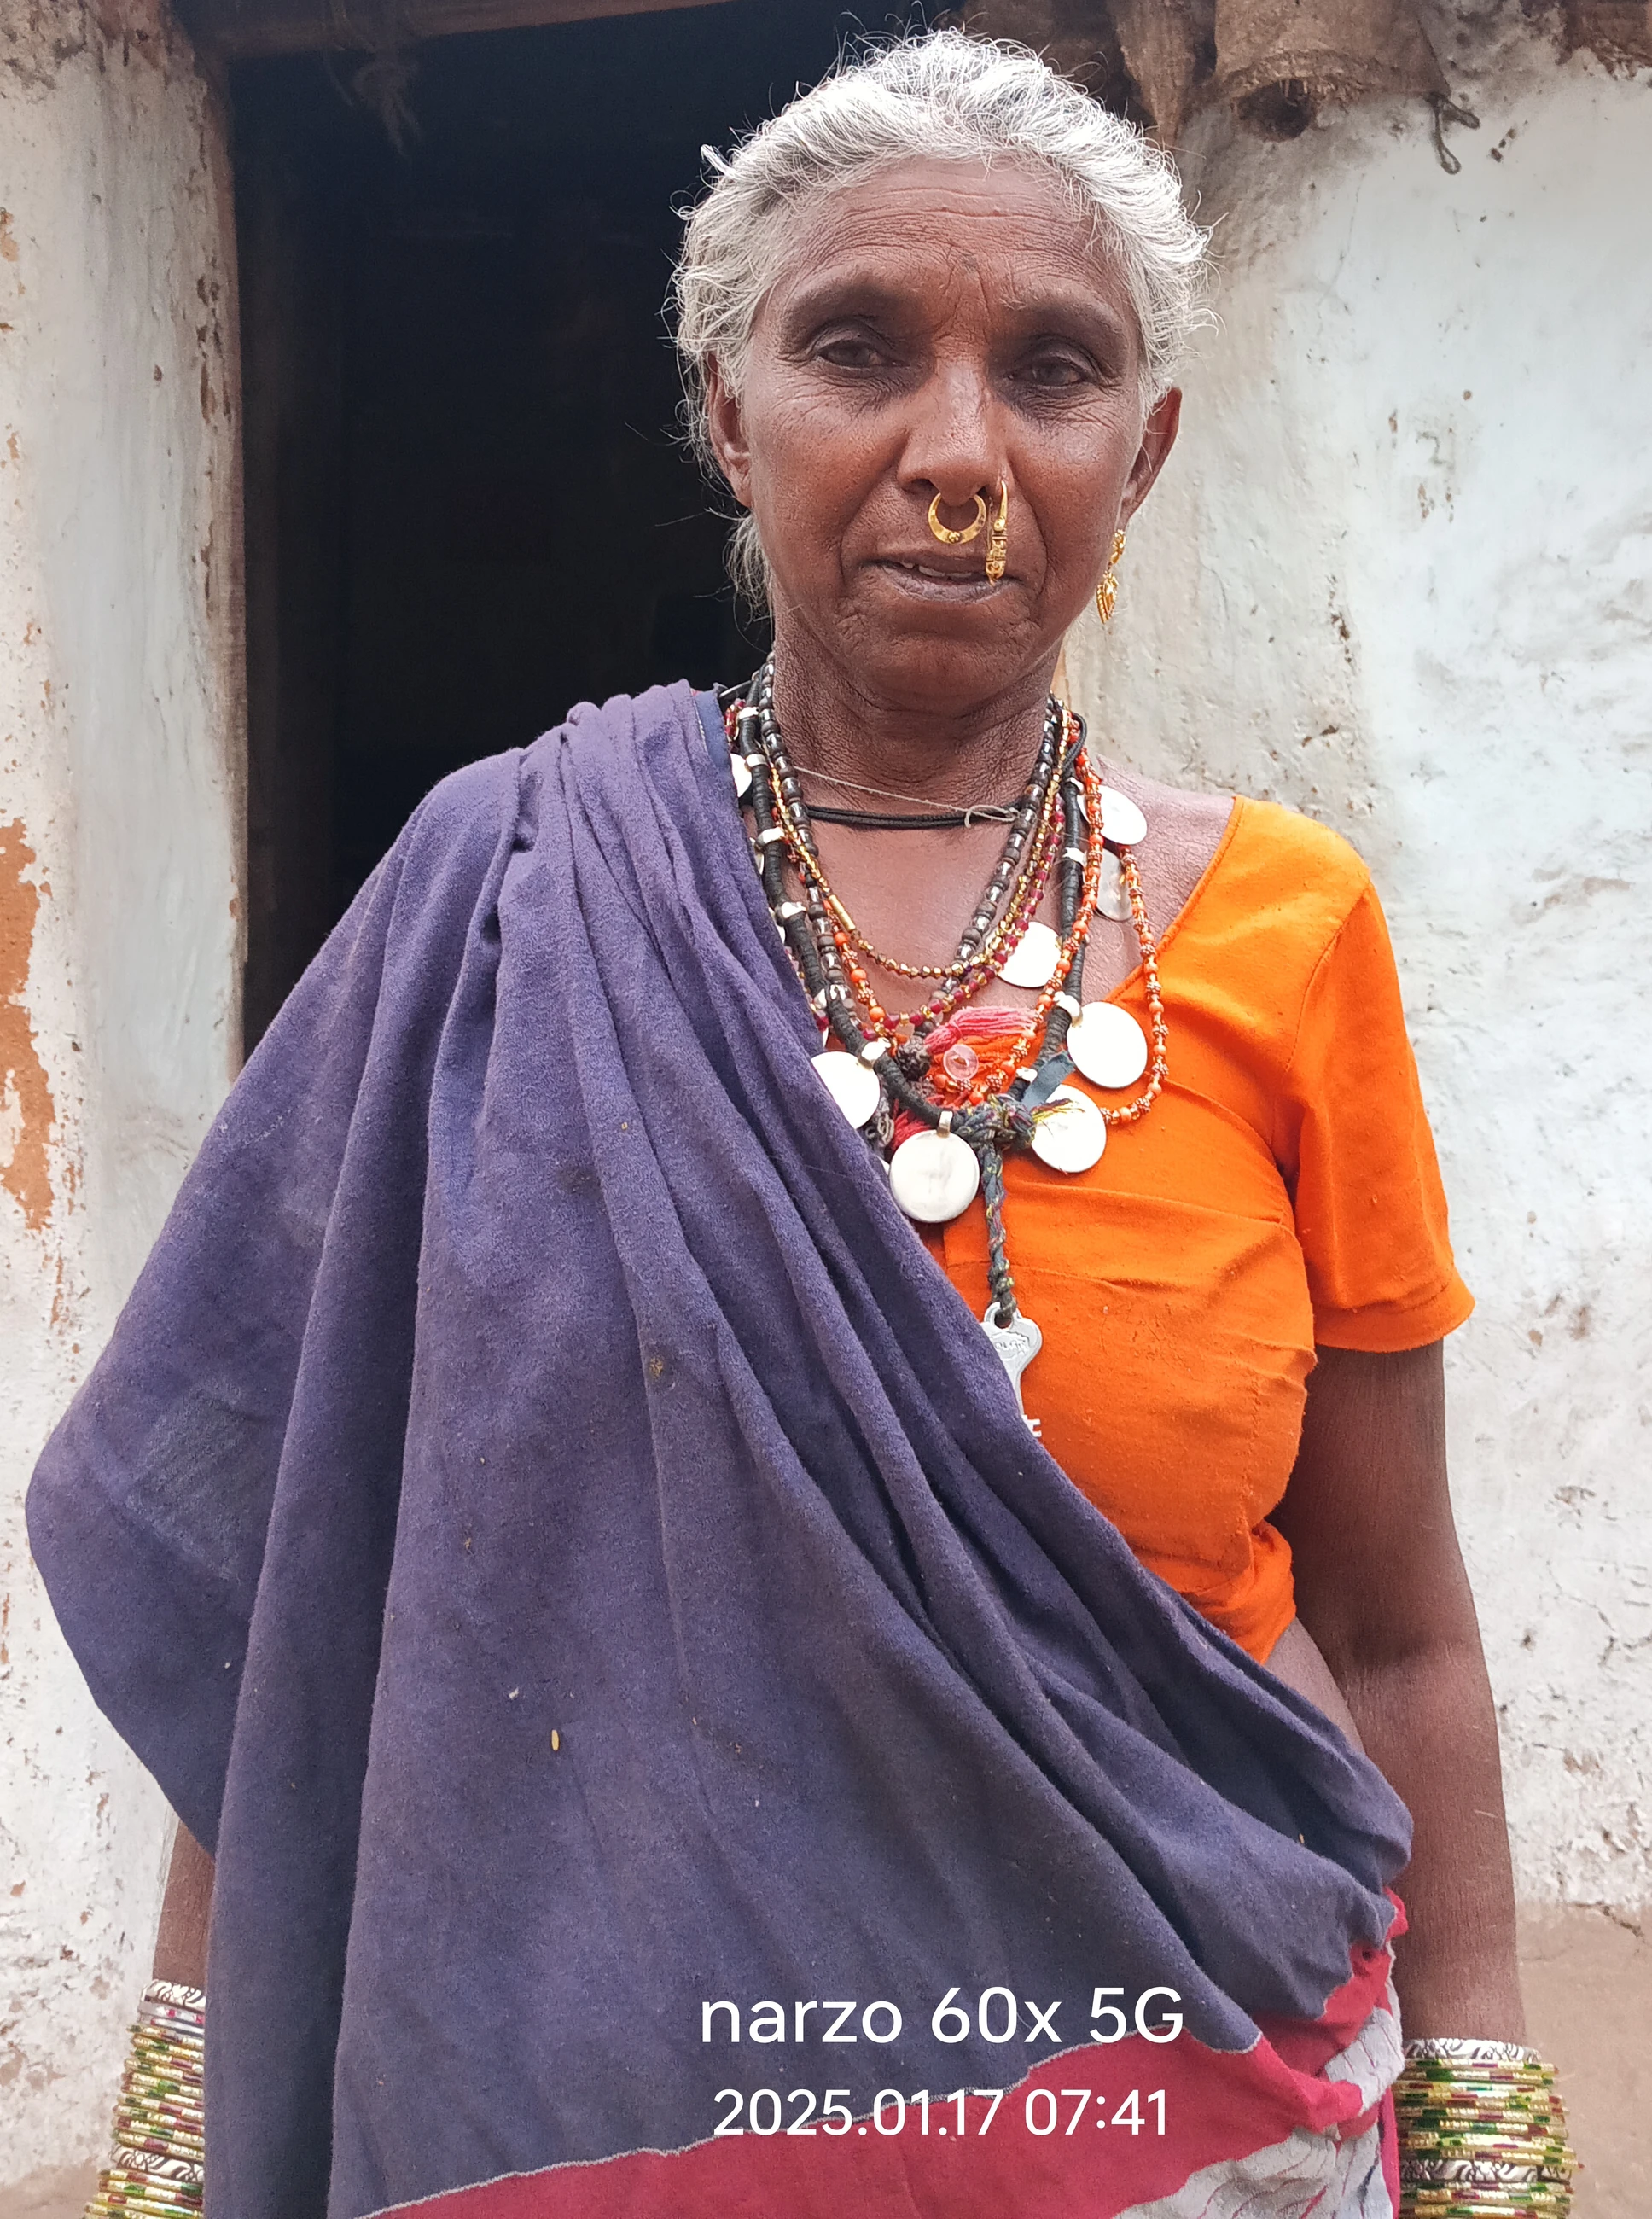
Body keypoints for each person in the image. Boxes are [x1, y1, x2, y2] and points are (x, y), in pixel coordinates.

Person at [30, 31, 1573, 2219]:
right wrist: (184, 2107)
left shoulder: (1287, 930)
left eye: (1049, 370)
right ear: (727, 415)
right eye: (856, 349)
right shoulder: (508, 896)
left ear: (1140, 450)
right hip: (609, 2121)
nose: (955, 453)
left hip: (1187, 2101)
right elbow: (308, 1571)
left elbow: (1399, 1622)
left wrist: (1486, 2118)